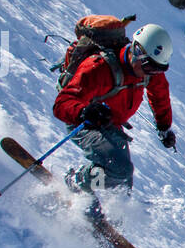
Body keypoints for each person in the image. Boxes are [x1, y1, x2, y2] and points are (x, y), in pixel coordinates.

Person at [53, 22, 177, 192]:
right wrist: (83, 112)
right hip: (85, 122)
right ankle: (77, 182)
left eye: (158, 70)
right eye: (150, 67)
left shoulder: (148, 69)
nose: (152, 73)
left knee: (122, 184)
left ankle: (96, 208)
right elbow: (62, 103)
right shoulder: (99, 68)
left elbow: (160, 94)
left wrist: (164, 127)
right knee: (119, 169)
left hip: (110, 125)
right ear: (137, 50)